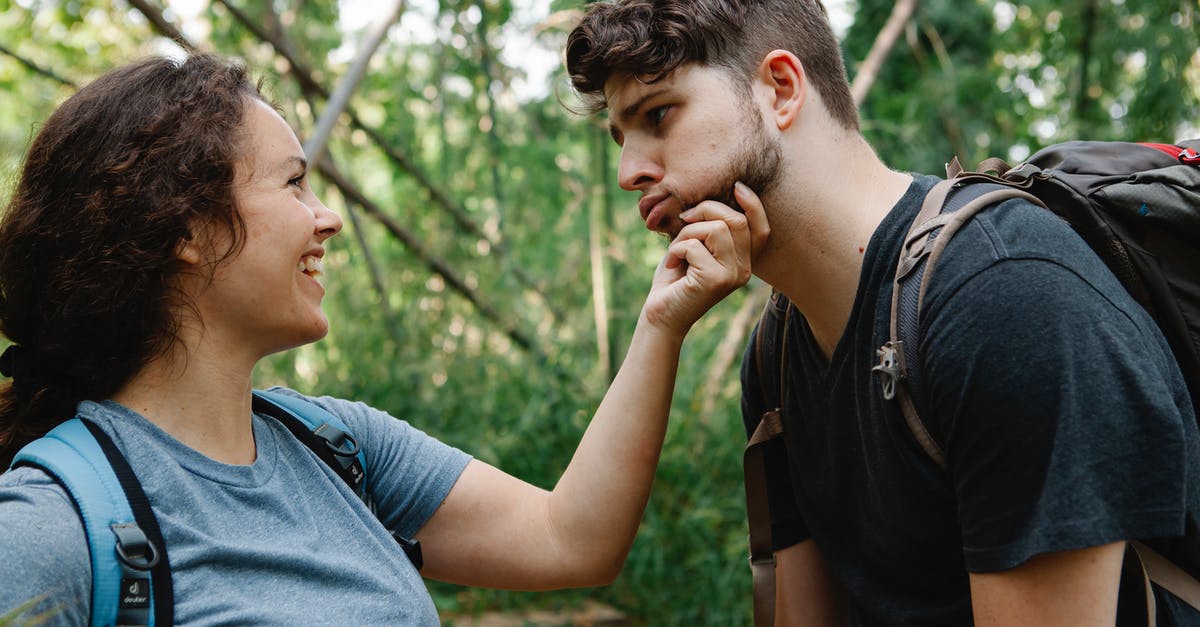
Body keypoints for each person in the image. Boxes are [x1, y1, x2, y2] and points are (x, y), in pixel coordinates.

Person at [0, 53, 768, 624]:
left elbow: (573, 540)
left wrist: (660, 321)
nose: (326, 217)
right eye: (294, 183)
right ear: (189, 229)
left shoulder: (337, 445)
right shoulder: (53, 525)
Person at [565, 1, 1200, 625]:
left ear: (781, 89)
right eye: (623, 137)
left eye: (658, 114)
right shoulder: (777, 352)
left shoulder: (1003, 300)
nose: (629, 172)